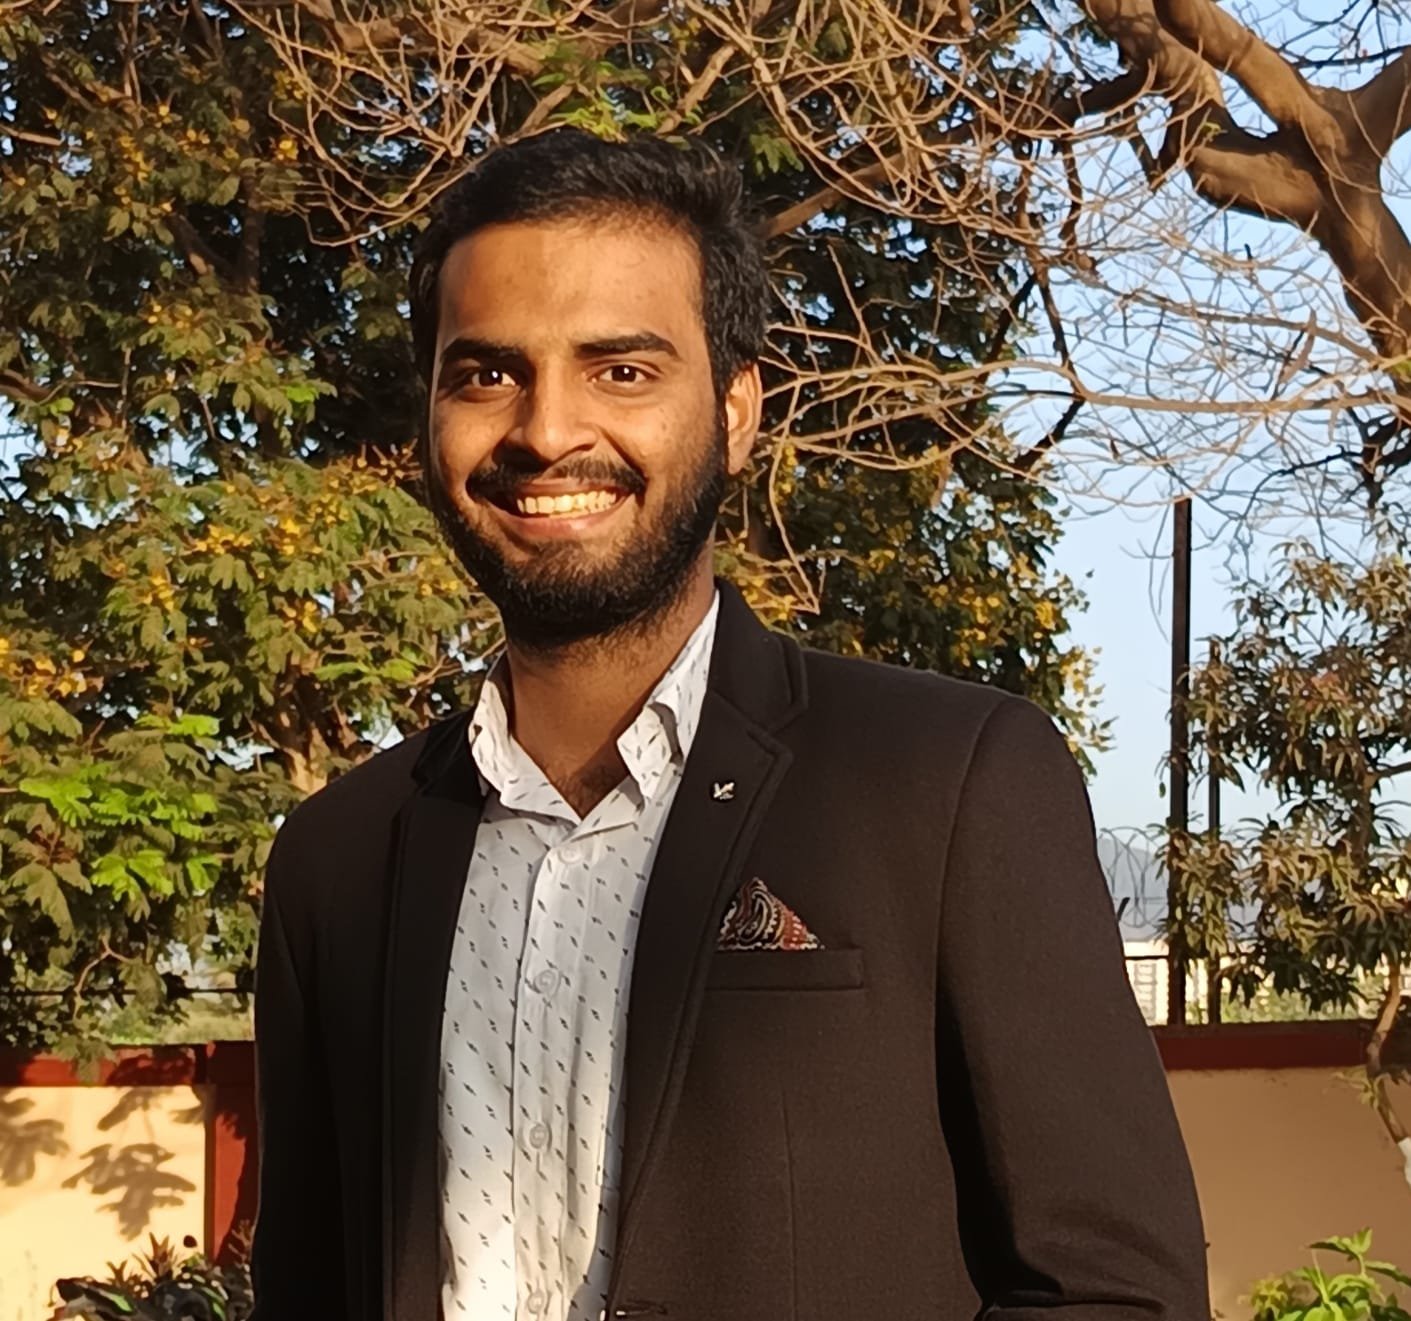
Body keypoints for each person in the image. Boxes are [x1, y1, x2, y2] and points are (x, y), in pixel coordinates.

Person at [249, 128, 1210, 1321]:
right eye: (487, 374)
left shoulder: (944, 786)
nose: (546, 430)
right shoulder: (338, 862)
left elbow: (1113, 1290)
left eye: (621, 370)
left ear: (737, 408)